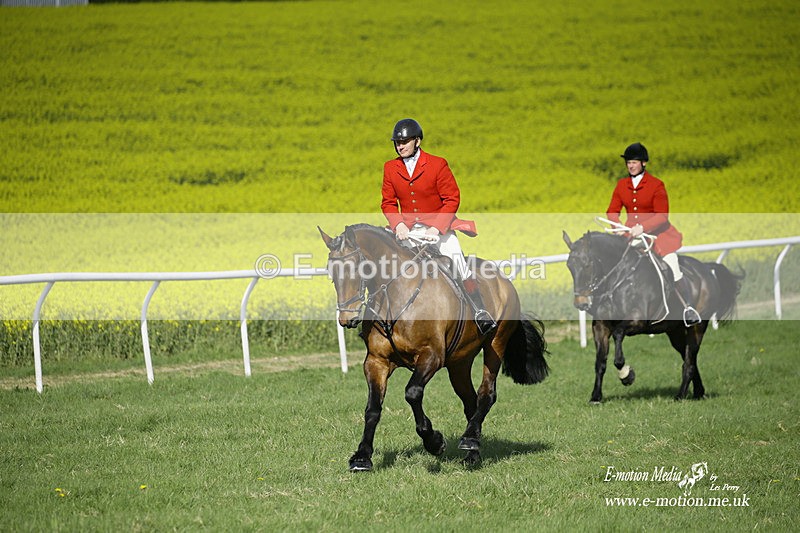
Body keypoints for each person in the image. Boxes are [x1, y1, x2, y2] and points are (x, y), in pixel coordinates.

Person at [380, 118, 496, 334]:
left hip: (438, 231)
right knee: (385, 265)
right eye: (397, 142)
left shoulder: (437, 164)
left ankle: (480, 310)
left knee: (457, 259)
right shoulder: (390, 168)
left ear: (418, 141)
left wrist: (437, 228)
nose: (400, 146)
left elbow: (452, 198)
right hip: (407, 231)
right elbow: (388, 202)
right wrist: (397, 226)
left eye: (405, 141)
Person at [606, 142, 701, 325]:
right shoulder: (621, 185)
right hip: (631, 236)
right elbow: (612, 210)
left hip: (659, 237)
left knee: (673, 267)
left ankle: (688, 308)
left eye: (634, 162)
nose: (631, 165)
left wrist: (643, 227)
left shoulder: (657, 185)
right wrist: (616, 226)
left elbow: (662, 216)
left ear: (644, 163)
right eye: (628, 162)